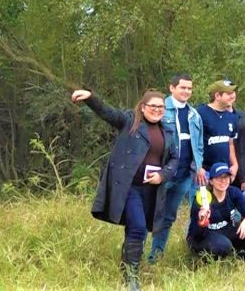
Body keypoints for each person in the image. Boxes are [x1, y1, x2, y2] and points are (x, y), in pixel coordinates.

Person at [71, 88, 177, 290]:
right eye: (153, 106)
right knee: (137, 226)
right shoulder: (130, 121)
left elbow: (174, 159)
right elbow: (109, 113)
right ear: (143, 107)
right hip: (129, 187)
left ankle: (127, 263)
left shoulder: (168, 131)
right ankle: (131, 276)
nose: (157, 110)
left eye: (161, 106)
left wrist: (162, 175)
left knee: (139, 228)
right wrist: (91, 98)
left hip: (152, 189)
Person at [149, 73, 202, 263]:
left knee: (169, 217)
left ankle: (155, 256)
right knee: (148, 215)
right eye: (182, 87)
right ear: (172, 88)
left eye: (189, 88)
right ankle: (133, 253)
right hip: (161, 175)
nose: (186, 91)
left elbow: (199, 145)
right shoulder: (160, 110)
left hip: (184, 177)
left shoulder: (194, 115)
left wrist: (199, 167)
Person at [188, 162, 245, 263]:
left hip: (225, 231)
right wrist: (202, 222)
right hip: (203, 235)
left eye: (226, 177)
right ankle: (202, 260)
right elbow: (195, 234)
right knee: (224, 246)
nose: (223, 181)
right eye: (219, 178)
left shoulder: (233, 192)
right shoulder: (202, 199)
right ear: (211, 181)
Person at [197, 80, 240, 178]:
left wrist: (235, 164)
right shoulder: (200, 113)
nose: (233, 96)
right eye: (229, 93)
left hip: (225, 171)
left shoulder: (232, 117)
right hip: (205, 171)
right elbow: (193, 143)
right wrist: (198, 167)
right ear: (217, 96)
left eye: (233, 93)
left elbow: (230, 143)